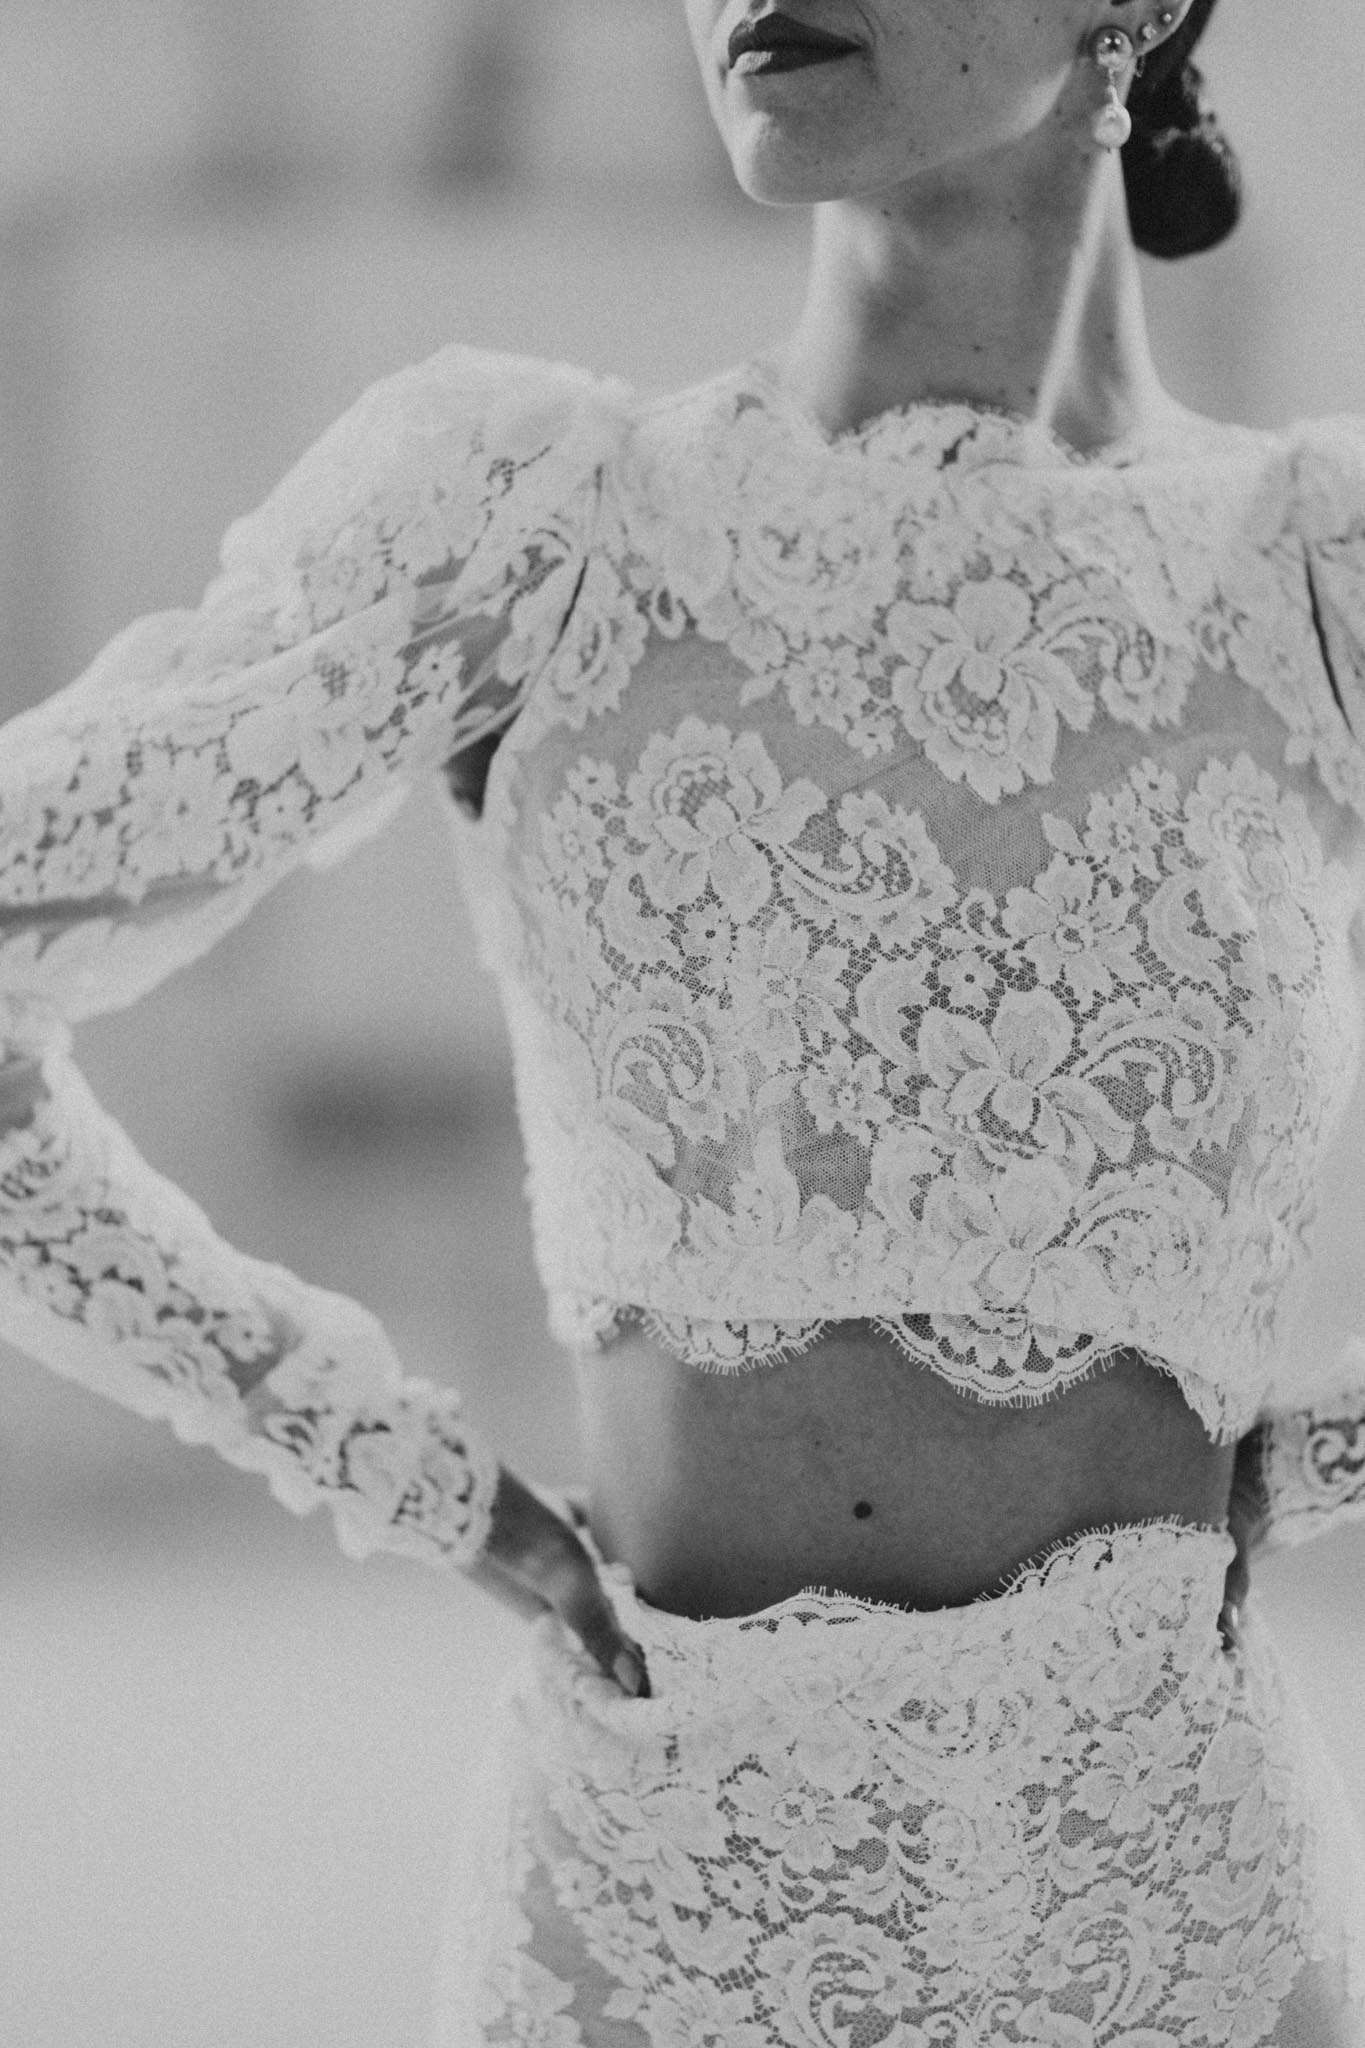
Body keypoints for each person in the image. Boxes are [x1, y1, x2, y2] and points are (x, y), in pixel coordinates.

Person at [3, 0, 1365, 2039]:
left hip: (1156, 1892)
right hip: (659, 1905)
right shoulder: (535, 519)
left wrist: (1318, 1452)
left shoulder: (1317, 570)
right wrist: (368, 1454)